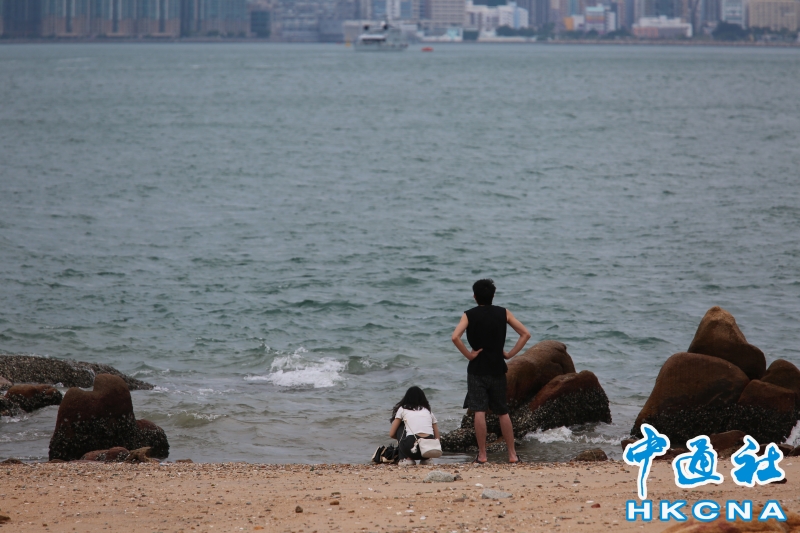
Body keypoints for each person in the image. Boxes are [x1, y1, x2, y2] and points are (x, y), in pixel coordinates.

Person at [451, 278, 531, 464]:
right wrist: (509, 354)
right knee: (502, 411)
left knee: (479, 411)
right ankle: (512, 455)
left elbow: (455, 337)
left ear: (475, 296)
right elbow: (525, 334)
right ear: (493, 295)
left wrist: (469, 355)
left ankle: (482, 455)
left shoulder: (468, 315)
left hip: (477, 369)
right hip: (497, 367)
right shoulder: (503, 313)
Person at [389, 386, 440, 466]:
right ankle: (426, 459)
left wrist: (402, 441)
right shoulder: (428, 411)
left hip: (411, 449)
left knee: (401, 427)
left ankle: (407, 459)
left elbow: (392, 434)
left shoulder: (403, 409)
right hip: (428, 449)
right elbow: (437, 438)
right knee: (428, 430)